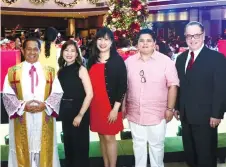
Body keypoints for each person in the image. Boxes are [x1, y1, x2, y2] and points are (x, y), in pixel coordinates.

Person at [2, 37, 63, 167]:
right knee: (22, 150)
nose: (32, 52)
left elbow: (57, 92)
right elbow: (7, 95)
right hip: (22, 117)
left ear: (40, 51)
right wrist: (23, 106)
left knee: (45, 149)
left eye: (35, 49)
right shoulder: (13, 72)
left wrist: (45, 105)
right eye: (28, 49)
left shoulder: (50, 71)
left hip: (44, 116)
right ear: (23, 51)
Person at [123, 29, 179, 167]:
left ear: (154, 43)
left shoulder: (165, 61)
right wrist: (124, 107)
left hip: (158, 113)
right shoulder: (129, 62)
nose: (145, 43)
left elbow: (173, 86)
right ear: (137, 44)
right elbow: (124, 87)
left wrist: (170, 109)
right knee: (138, 146)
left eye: (149, 40)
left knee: (157, 147)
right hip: (135, 112)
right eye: (141, 40)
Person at [175, 21, 226, 167]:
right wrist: (178, 107)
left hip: (207, 118)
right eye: (189, 36)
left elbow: (221, 88)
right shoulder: (181, 59)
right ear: (185, 37)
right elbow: (180, 85)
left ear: (203, 36)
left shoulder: (216, 58)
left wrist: (217, 114)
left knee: (206, 156)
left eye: (196, 35)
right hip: (185, 117)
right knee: (191, 156)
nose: (193, 39)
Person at [88, 27, 127, 167]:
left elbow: (122, 86)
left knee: (110, 138)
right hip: (95, 106)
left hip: (110, 106)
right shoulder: (92, 60)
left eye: (106, 39)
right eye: (99, 39)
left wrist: (115, 109)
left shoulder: (117, 61)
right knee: (101, 137)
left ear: (111, 42)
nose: (102, 43)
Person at [58, 40, 93, 167]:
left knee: (80, 149)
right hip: (66, 112)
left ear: (77, 54)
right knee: (69, 147)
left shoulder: (81, 69)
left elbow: (89, 94)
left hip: (79, 112)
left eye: (73, 51)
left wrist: (80, 115)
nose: (69, 53)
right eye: (66, 50)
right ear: (62, 53)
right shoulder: (60, 71)